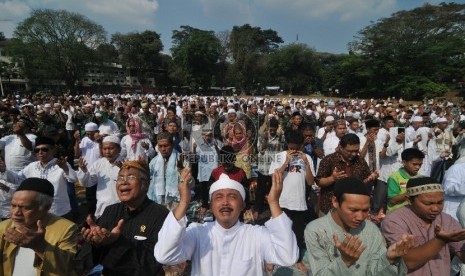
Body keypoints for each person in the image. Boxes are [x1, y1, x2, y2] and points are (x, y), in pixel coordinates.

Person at [154, 170, 298, 275]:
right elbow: (164, 254)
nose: (225, 202)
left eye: (232, 196)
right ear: (211, 206)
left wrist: (273, 203)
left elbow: (288, 256)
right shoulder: (198, 232)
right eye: (219, 197)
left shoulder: (257, 234)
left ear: (242, 205)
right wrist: (184, 203)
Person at [304, 177, 414, 275]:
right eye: (353, 210)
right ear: (335, 202)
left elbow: (374, 271)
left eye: (365, 210)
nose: (360, 217)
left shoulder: (371, 230)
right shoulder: (316, 230)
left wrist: (389, 259)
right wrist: (344, 261)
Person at [82, 159, 169, 276]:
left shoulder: (160, 215)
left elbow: (151, 263)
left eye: (131, 177)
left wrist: (117, 241)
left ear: (146, 184)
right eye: (120, 178)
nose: (124, 182)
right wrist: (95, 242)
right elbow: (96, 259)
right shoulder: (110, 211)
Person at [381, 177, 465, 276]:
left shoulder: (446, 220)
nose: (435, 208)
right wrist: (440, 240)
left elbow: (461, 254)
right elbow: (407, 262)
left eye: (440, 203)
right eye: (428, 203)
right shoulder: (394, 221)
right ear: (409, 200)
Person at [0, 178, 79, 275]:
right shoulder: (4, 227)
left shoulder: (66, 229)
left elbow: (70, 268)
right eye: (13, 205)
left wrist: (40, 246)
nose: (16, 212)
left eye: (26, 207)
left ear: (46, 207)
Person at [0, 137, 76, 218]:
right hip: (37, 212)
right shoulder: (32, 166)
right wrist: (3, 170)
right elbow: (17, 179)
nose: (40, 152)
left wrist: (65, 169)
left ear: (53, 150)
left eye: (44, 149)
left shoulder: (61, 165)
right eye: (37, 150)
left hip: (59, 211)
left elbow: (73, 179)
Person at [316, 133, 377, 215]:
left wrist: (370, 178)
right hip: (330, 209)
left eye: (356, 151)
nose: (354, 154)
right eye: (350, 151)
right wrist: (332, 178)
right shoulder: (329, 160)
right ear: (341, 147)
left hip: (353, 209)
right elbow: (319, 181)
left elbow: (362, 182)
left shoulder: (360, 161)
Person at [77, 135, 123, 218]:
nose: (107, 152)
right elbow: (87, 183)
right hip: (102, 208)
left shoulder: (126, 163)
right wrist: (84, 171)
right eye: (105, 149)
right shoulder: (98, 164)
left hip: (121, 207)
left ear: (119, 149)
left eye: (111, 148)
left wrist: (123, 171)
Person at [387, 148, 424, 213]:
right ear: (404, 162)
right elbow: (392, 200)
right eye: (414, 164)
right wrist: (412, 192)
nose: (418, 167)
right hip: (396, 214)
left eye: (420, 164)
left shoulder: (421, 178)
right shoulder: (394, 177)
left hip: (414, 214)